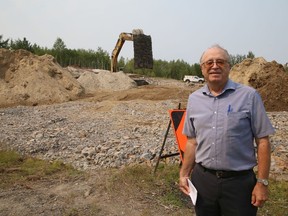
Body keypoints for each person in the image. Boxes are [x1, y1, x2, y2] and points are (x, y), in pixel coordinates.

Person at [179, 44, 275, 216]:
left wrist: (262, 183)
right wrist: (184, 174)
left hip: (239, 185)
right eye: (209, 62)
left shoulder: (249, 96)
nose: (215, 66)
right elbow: (192, 141)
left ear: (229, 66)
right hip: (203, 181)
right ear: (202, 69)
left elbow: (263, 141)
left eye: (220, 62)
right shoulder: (194, 99)